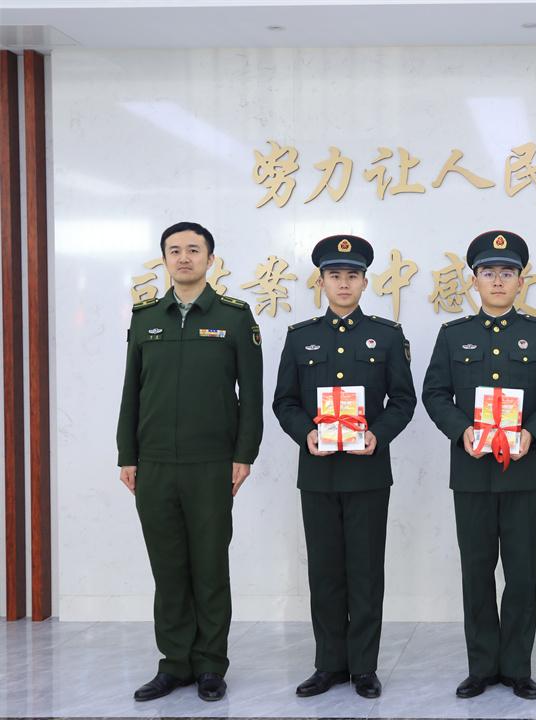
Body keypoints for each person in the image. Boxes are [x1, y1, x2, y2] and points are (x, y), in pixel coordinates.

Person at [421, 230, 536, 700]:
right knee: (477, 572)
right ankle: (482, 667)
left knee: (521, 574)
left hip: (523, 471)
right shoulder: (454, 335)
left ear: (521, 281)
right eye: (489, 272)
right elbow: (434, 393)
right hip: (470, 472)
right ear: (474, 280)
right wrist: (460, 429)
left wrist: (533, 432)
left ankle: (518, 668)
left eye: (508, 272)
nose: (498, 280)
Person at [117, 221, 263, 702]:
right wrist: (127, 454)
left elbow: (251, 394)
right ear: (164, 259)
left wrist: (244, 454)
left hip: (211, 463)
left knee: (210, 567)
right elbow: (132, 392)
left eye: (193, 250)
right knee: (168, 568)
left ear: (210, 259)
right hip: (154, 463)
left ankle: (210, 665)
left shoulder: (235, 318)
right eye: (175, 250)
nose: (184, 258)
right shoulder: (145, 318)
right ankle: (174, 663)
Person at [272, 234, 416, 699]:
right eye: (334, 275)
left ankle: (364, 667)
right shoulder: (301, 337)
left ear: (365, 282)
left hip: (367, 471)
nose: (343, 283)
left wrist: (379, 434)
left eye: (352, 275)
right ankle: (329, 665)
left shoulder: (387, 336)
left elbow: (403, 400)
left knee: (366, 572)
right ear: (321, 281)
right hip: (317, 473)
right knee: (325, 572)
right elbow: (284, 401)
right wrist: (305, 433)